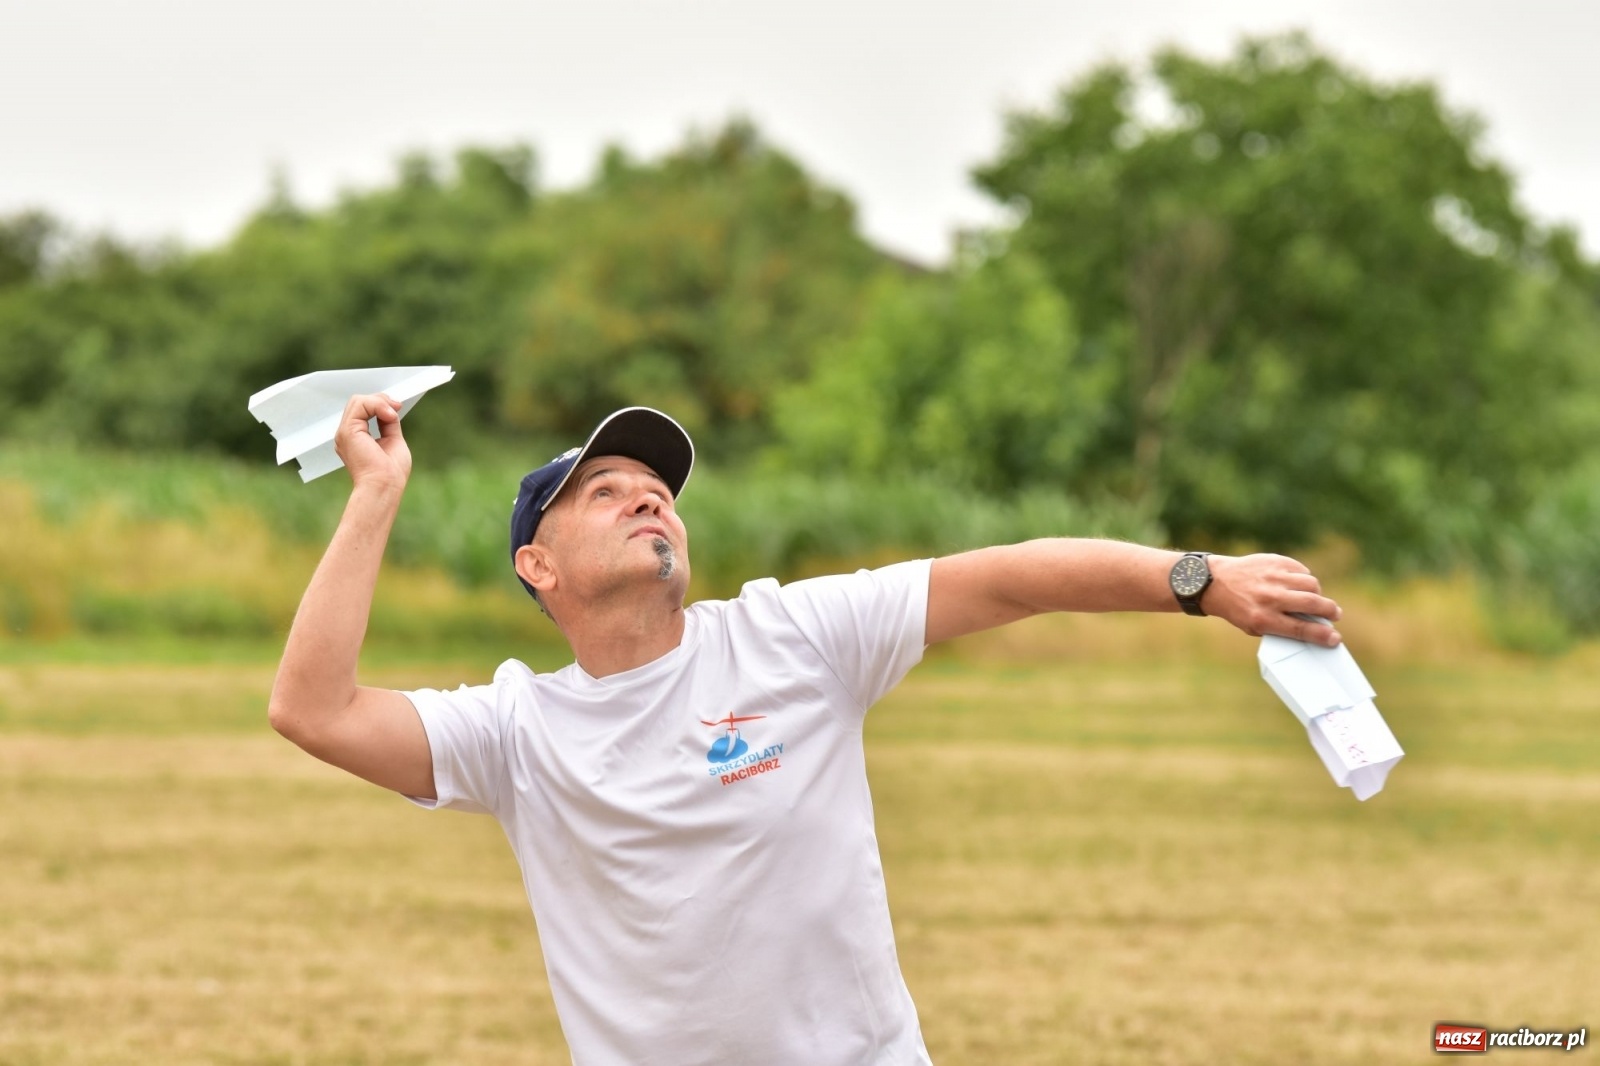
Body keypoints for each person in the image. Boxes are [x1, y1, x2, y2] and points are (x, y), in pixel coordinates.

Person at [268, 395, 1345, 1065]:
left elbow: (1010, 574)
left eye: (659, 491)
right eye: (607, 492)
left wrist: (1199, 581)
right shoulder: (516, 730)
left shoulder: (793, 636)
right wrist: (377, 495)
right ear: (536, 568)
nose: (651, 502)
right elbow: (313, 710)